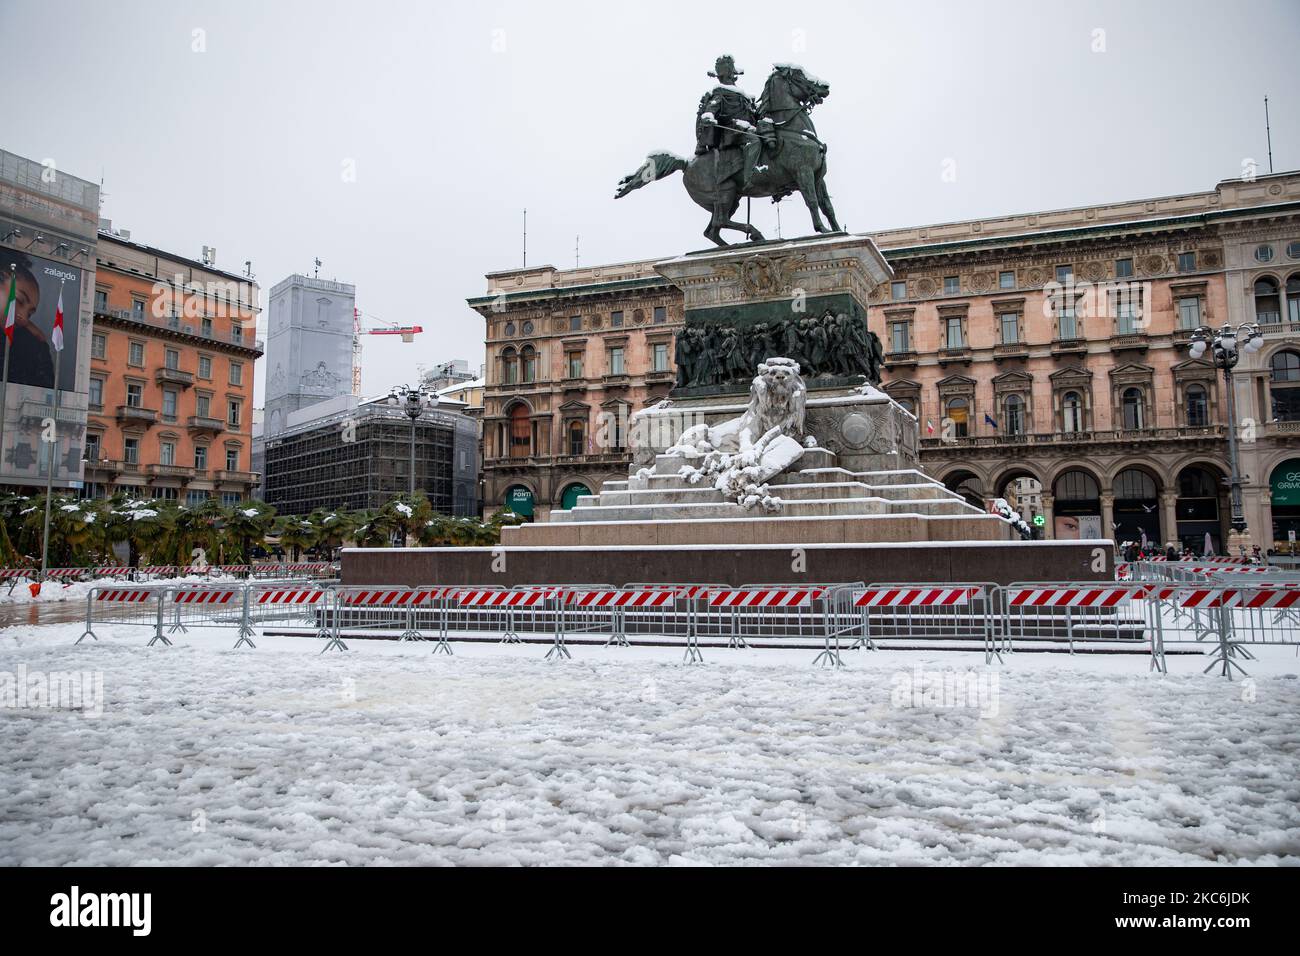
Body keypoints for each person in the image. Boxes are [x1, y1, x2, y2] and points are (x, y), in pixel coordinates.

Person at [695, 55, 762, 192]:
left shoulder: (742, 95)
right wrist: (709, 116)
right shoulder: (720, 91)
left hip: (746, 128)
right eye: (727, 70)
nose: (729, 74)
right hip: (732, 130)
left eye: (730, 69)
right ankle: (749, 177)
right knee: (754, 141)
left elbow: (752, 115)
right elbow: (712, 107)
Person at [0, 253, 56, 389]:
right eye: (19, 301)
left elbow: (45, 390)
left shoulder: (30, 346)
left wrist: (41, 345)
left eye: (30, 314)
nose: (24, 318)